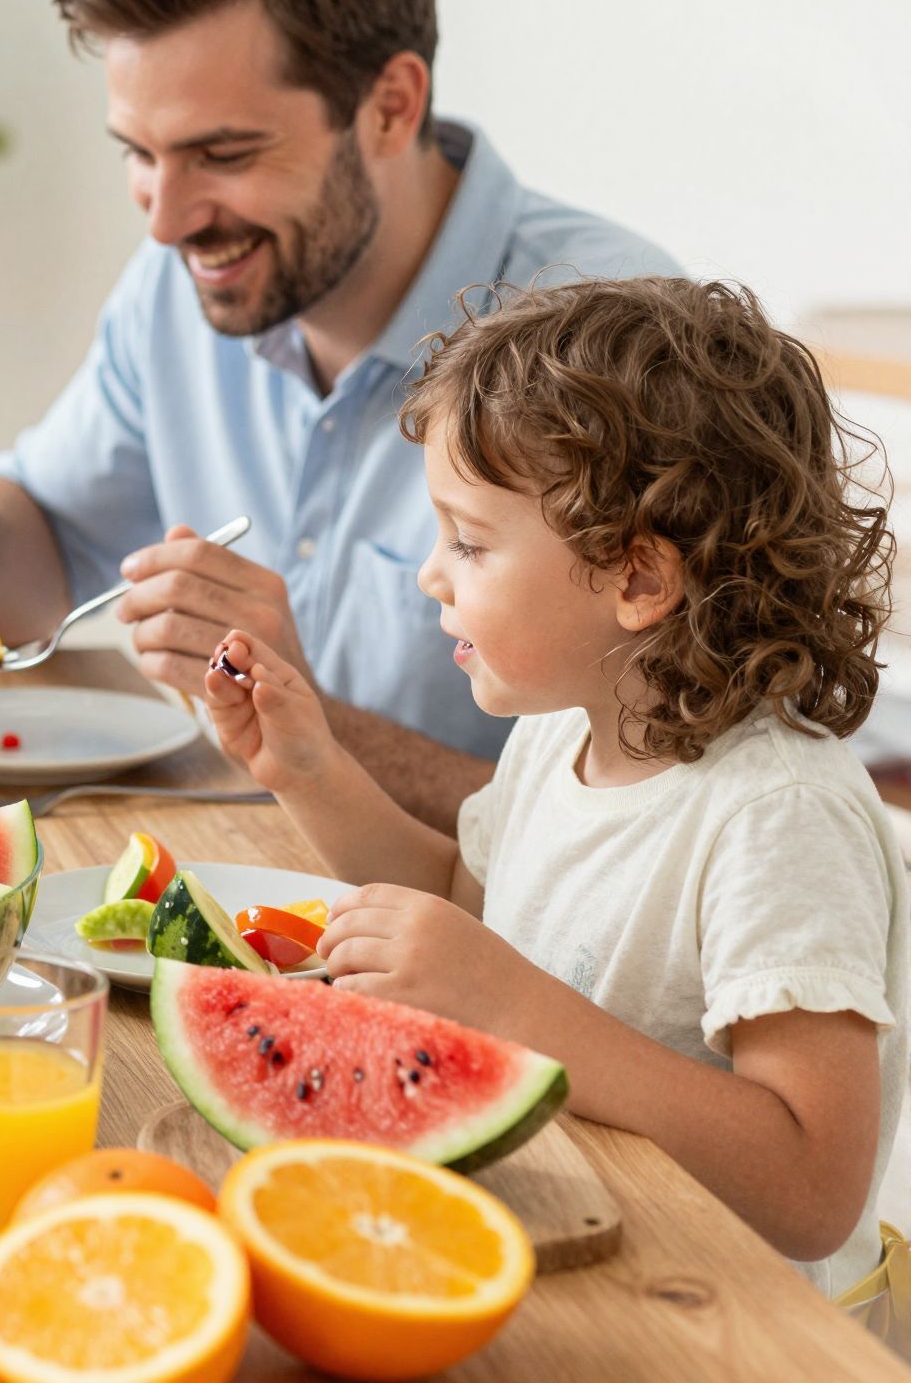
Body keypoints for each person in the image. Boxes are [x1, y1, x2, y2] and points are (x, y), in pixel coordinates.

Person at [0, 0, 675, 830]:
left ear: (390, 106)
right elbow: (47, 551)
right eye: (139, 156)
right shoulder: (180, 285)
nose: (165, 220)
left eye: (222, 154)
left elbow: (659, 839)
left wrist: (303, 720)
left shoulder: (615, 342)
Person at [204, 276, 905, 1304]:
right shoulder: (556, 737)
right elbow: (462, 905)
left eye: (469, 542)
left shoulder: (776, 817)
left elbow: (810, 1187)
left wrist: (512, 1007)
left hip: (738, 1325)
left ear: (635, 581)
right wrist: (304, 771)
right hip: (581, 1245)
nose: (429, 577)